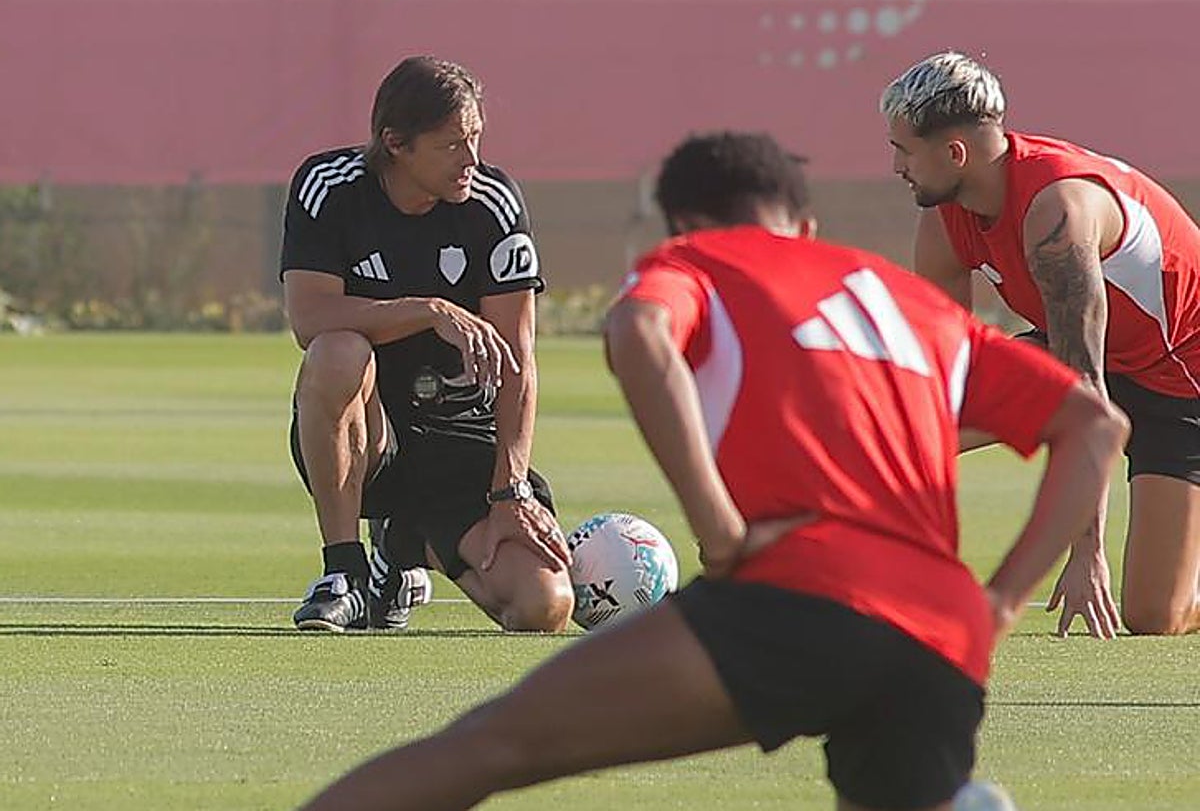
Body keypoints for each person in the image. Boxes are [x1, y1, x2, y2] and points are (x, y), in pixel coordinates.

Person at [296, 132, 1128, 811]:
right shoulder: (903, 300)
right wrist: (999, 600)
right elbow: (1095, 425)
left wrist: (718, 526)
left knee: (487, 747)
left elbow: (638, 333)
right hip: (941, 637)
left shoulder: (697, 263)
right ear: (804, 221)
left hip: (793, 604)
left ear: (683, 223)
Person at [880, 51, 1200, 638]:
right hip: (1083, 355)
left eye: (904, 150)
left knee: (1154, 616)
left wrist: (1086, 554)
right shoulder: (943, 221)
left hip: (1180, 376)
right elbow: (943, 378)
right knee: (919, 427)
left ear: (955, 154)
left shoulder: (1057, 213)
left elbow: (1086, 389)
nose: (897, 166)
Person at [281, 55, 573, 633]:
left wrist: (510, 490)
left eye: (476, 138)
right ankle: (344, 573)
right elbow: (309, 320)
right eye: (452, 145)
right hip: (370, 436)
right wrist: (428, 311)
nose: (472, 160)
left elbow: (518, 362)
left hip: (461, 440)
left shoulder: (493, 203)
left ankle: (399, 547)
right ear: (396, 143)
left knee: (542, 607)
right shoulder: (329, 187)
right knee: (338, 351)